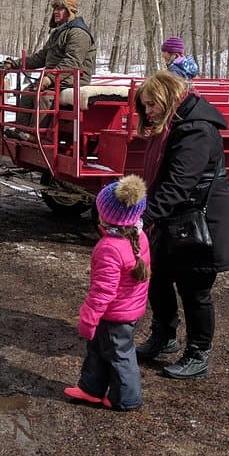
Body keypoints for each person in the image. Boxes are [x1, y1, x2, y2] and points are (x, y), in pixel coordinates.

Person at [133, 70, 229, 380]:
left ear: (167, 98)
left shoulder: (195, 129)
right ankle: (164, 336)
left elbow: (179, 184)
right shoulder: (173, 123)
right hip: (176, 218)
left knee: (194, 290)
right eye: (144, 106)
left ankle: (198, 354)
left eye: (151, 104)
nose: (148, 112)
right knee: (157, 277)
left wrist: (144, 217)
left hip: (202, 221)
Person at [64, 175, 151, 411]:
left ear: (104, 215)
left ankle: (126, 398)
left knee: (120, 355)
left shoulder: (109, 248)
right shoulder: (139, 235)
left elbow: (103, 291)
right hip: (124, 309)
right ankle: (90, 388)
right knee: (98, 350)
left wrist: (88, 318)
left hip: (115, 315)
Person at [1, 0, 96, 136]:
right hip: (58, 77)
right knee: (28, 93)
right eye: (55, 9)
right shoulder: (59, 32)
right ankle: (21, 131)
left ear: (71, 11)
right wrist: (15, 64)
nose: (56, 12)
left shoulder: (78, 33)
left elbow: (72, 61)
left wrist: (49, 78)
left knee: (44, 96)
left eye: (61, 9)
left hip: (75, 78)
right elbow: (41, 57)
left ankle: (36, 135)